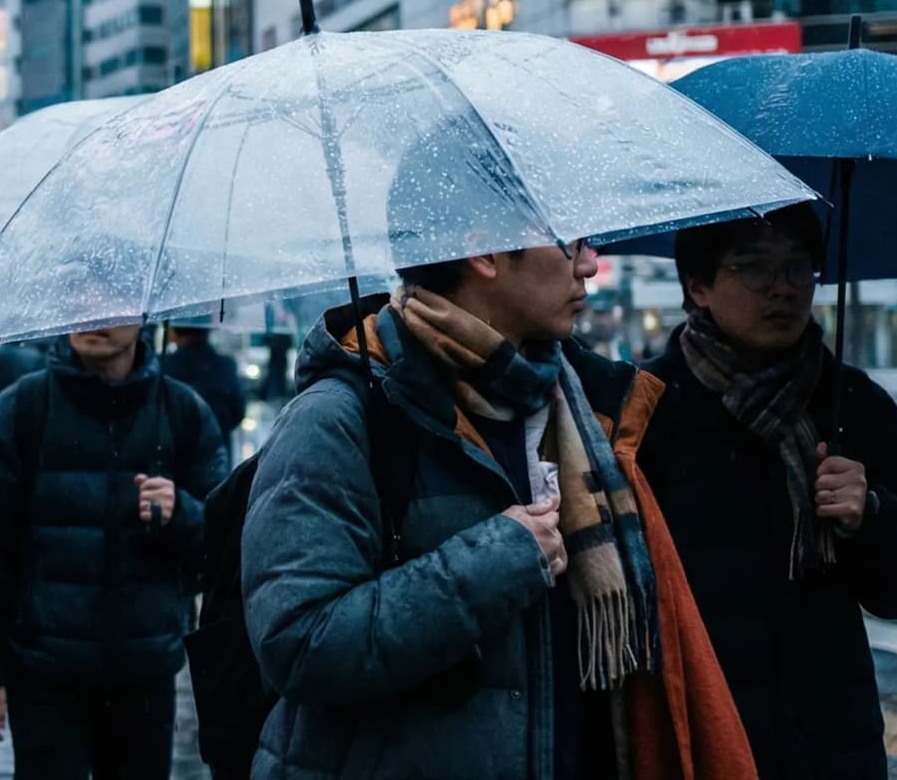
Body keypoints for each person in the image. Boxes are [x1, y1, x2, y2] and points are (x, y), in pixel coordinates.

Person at [238, 241, 750, 777]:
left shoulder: (589, 408)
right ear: (486, 254)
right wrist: (493, 562)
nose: (589, 265)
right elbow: (297, 643)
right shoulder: (341, 416)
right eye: (567, 245)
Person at [641, 204, 897, 778]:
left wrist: (871, 516)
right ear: (698, 286)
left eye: (799, 267)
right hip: (698, 735)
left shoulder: (854, 405)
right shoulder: (648, 408)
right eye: (755, 268)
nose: (782, 289)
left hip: (831, 743)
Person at [0, 325, 226, 778]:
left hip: (145, 676)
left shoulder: (182, 412)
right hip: (43, 676)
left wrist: (183, 514)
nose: (93, 316)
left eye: (111, 301)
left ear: (143, 316)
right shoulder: (20, 411)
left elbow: (223, 553)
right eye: (81, 299)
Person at [160, 326, 246, 466]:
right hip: (217, 454)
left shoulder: (163, 365)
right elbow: (238, 412)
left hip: (173, 456)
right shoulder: (226, 365)